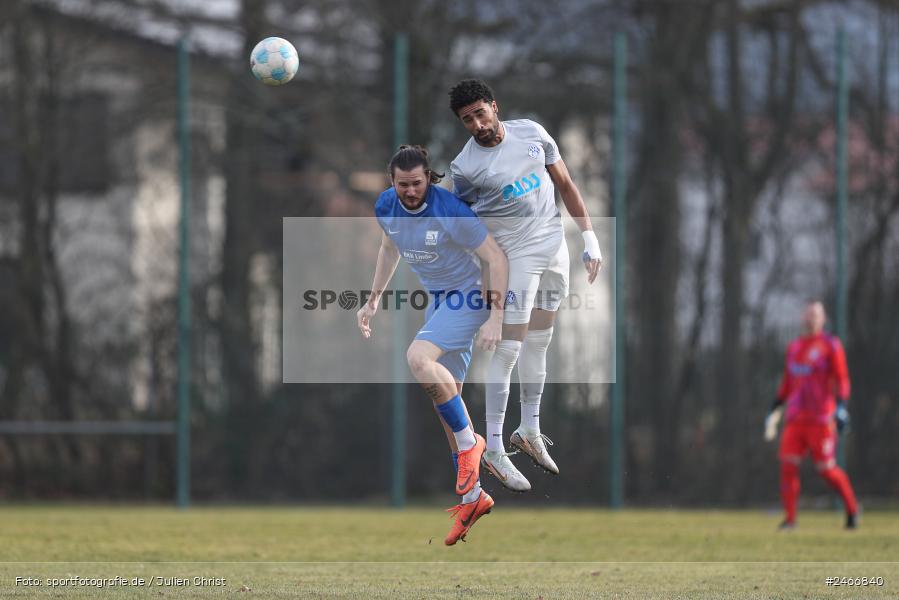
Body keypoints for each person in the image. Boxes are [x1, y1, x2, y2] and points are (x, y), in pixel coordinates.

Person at [447, 79, 602, 491]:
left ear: (494, 107)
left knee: (541, 340)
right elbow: (467, 228)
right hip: (515, 260)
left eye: (480, 113)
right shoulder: (466, 168)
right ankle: (495, 448)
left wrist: (589, 238)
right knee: (508, 348)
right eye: (467, 119)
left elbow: (566, 185)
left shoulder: (532, 133)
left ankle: (528, 430)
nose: (477, 123)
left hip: (555, 251)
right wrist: (486, 284)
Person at [356, 145, 509, 545]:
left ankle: (471, 444)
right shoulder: (387, 206)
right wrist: (373, 299)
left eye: (417, 183)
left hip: (471, 295)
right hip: (441, 302)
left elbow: (494, 256)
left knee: (418, 358)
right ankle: (474, 497)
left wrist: (495, 315)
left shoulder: (448, 209)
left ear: (429, 178)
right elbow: (390, 248)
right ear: (392, 182)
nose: (410, 192)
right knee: (447, 398)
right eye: (403, 184)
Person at [764, 300, 859, 530]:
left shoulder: (830, 345)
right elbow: (787, 383)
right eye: (807, 314)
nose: (810, 319)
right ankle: (790, 519)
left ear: (823, 319)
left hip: (821, 419)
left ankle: (852, 511)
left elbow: (842, 378)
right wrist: (775, 407)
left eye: (815, 315)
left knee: (827, 470)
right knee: (787, 465)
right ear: (802, 318)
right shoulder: (794, 347)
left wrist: (841, 406)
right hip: (795, 418)